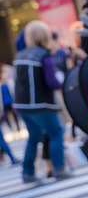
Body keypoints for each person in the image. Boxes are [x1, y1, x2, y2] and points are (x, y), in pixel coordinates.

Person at [13, 20, 73, 183]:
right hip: (41, 103)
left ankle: (27, 172)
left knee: (33, 137)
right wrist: (64, 82)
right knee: (56, 132)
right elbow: (52, 82)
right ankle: (59, 168)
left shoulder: (20, 56)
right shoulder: (45, 56)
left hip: (22, 106)